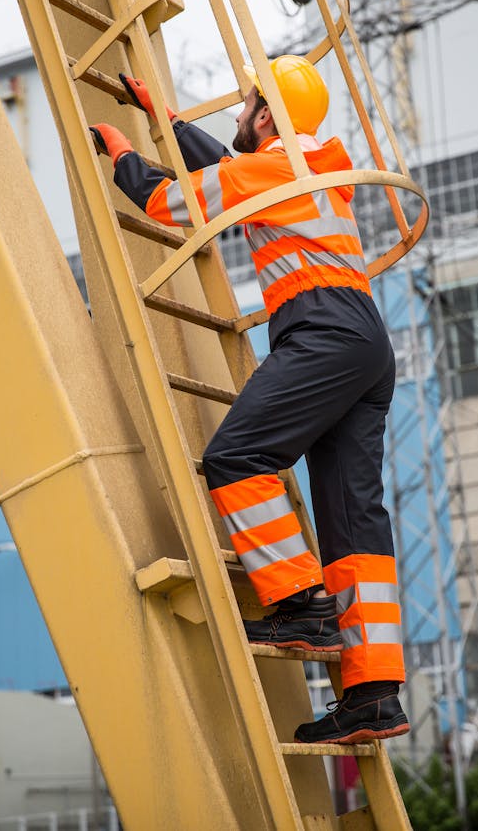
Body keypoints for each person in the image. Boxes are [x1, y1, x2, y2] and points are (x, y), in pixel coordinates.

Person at [91, 56, 409, 745]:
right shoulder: (314, 166)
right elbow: (237, 171)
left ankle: (300, 604)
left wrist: (121, 155)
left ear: (266, 116)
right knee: (354, 520)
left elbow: (166, 203)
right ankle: (373, 694)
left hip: (320, 330)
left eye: (244, 106)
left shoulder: (267, 170)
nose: (235, 114)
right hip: (365, 343)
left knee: (236, 457)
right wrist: (168, 120)